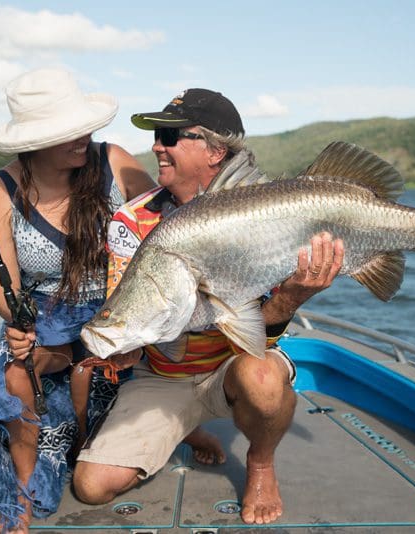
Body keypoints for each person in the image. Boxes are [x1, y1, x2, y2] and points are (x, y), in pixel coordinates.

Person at [71, 89, 345, 525]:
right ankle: (185, 426)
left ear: (216, 151)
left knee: (262, 377)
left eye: (170, 136)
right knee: (91, 487)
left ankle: (260, 464)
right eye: (157, 135)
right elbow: (135, 310)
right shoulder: (129, 221)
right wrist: (127, 346)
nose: (157, 146)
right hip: (162, 375)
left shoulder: (270, 215)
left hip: (234, 365)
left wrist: (292, 297)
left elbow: (260, 336)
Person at [0, 67, 155, 533]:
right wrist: (17, 322)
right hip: (44, 316)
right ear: (34, 142)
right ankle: (22, 485)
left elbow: (165, 229)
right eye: (67, 131)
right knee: (16, 373)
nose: (83, 136)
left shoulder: (114, 161)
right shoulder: (0, 190)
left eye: (83, 126)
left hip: (119, 307)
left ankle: (169, 428)